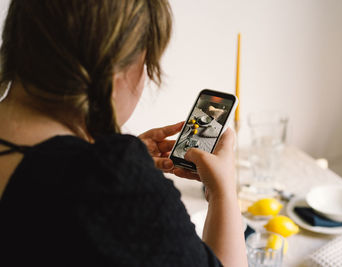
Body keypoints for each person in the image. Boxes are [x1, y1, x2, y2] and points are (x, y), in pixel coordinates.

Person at [0, 1, 247, 266]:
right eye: (146, 62)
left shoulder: (97, 174)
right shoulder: (108, 181)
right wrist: (222, 193)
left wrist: (99, 156)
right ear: (115, 71)